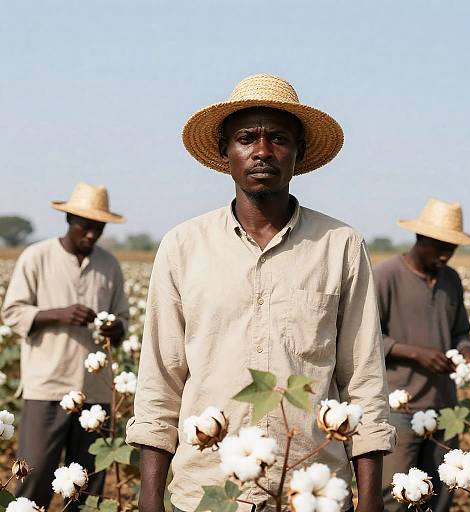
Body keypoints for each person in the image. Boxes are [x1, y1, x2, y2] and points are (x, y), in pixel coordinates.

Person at [126, 74, 395, 512]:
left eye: (279, 139)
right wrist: (150, 497)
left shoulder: (341, 245)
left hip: (310, 490)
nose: (263, 151)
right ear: (225, 153)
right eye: (247, 138)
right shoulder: (183, 246)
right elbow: (161, 379)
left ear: (299, 153)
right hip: (206, 493)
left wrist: (370, 500)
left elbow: (364, 378)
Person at [1, 182, 129, 511]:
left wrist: (115, 327)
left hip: (95, 393)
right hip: (47, 386)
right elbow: (12, 312)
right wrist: (59, 314)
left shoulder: (109, 265)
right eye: (84, 226)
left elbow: (123, 320)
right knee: (35, 474)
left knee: (86, 484)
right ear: (69, 220)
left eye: (97, 228)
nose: (91, 234)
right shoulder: (37, 257)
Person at [376, 198, 470, 511]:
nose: (446, 254)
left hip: (444, 408)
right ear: (420, 238)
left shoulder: (451, 280)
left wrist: (468, 353)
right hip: (400, 410)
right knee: (396, 498)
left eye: (452, 248)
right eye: (439, 246)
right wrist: (415, 354)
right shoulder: (387, 276)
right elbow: (366, 339)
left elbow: (461, 332)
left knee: (439, 497)